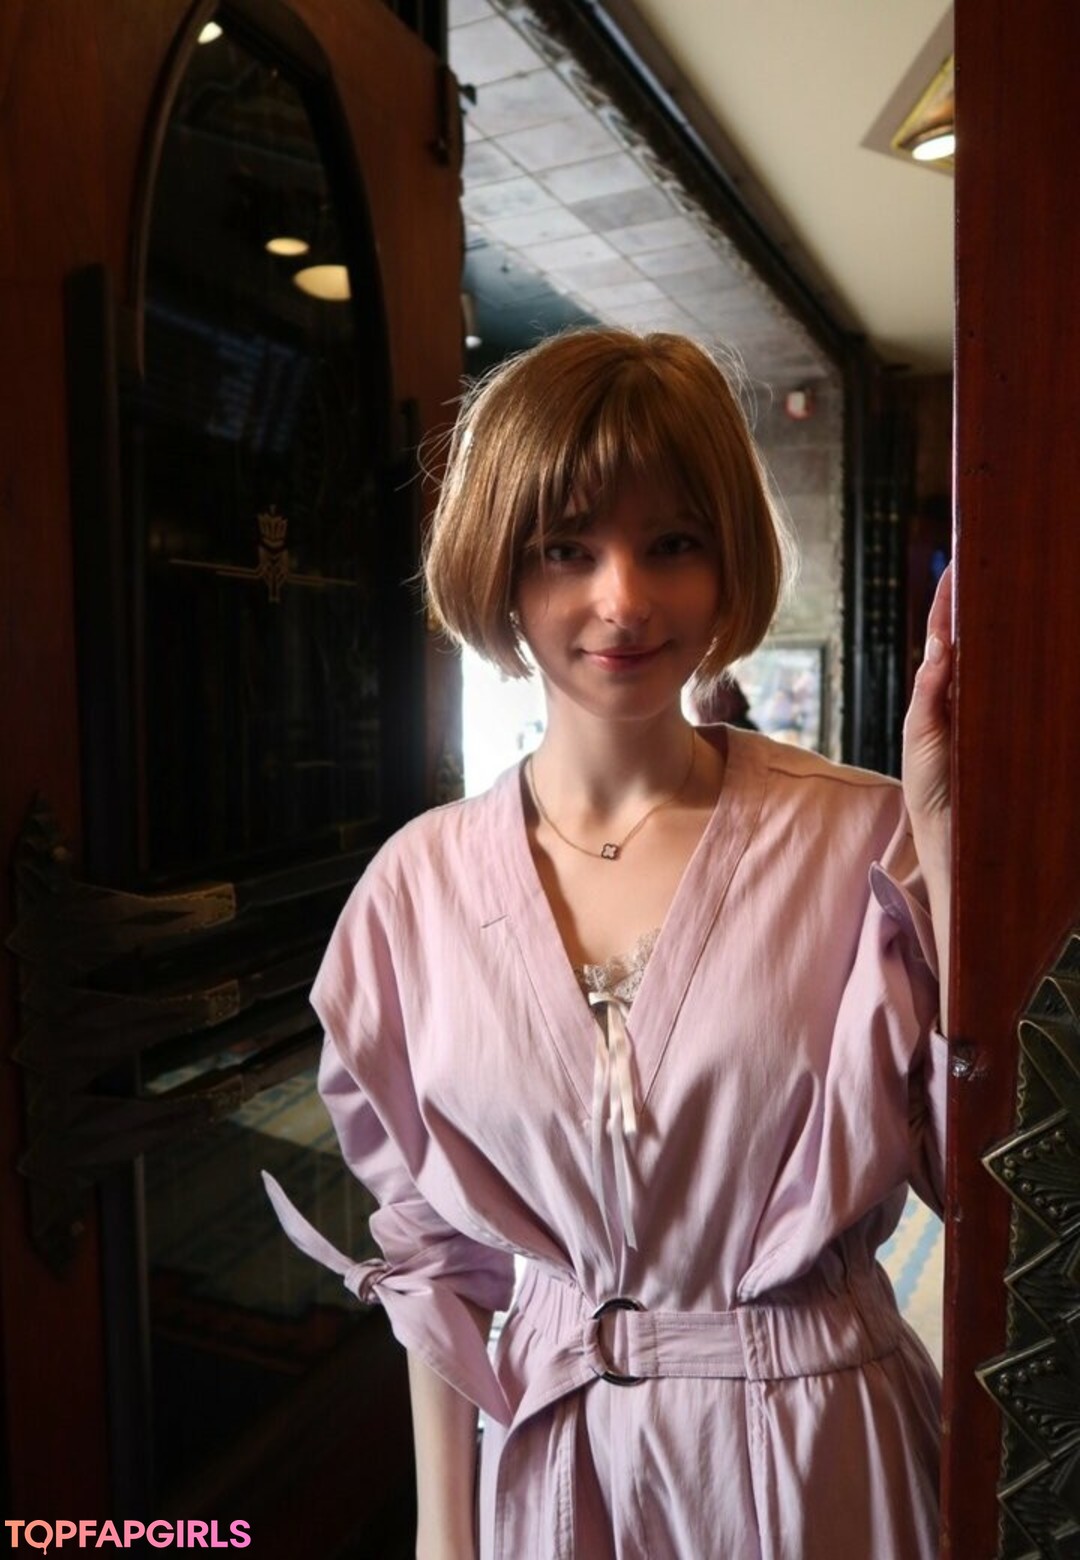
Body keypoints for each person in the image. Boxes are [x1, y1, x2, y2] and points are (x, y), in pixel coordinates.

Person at [265, 329, 952, 1560]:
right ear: (499, 567)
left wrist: (954, 851)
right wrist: (445, 1540)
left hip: (822, 1455)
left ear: (728, 559)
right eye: (566, 549)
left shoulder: (866, 839)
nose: (623, 598)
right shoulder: (415, 891)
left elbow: (988, 1169)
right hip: (554, 1467)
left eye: (672, 543)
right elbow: (435, 1258)